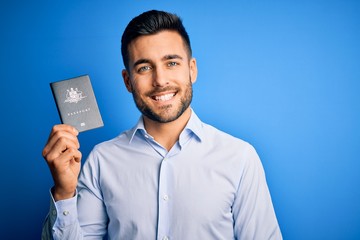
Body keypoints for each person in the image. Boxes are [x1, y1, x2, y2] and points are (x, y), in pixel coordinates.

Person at [41, 10, 282, 240]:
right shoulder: (101, 160)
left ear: (192, 69)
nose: (160, 80)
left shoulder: (240, 158)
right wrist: (64, 193)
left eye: (172, 63)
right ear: (127, 81)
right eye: (144, 68)